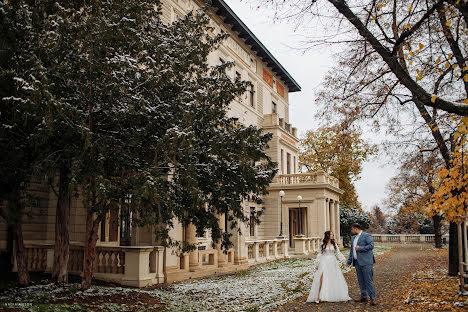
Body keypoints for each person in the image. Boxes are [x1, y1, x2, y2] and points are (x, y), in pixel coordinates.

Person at [306, 231, 351, 303]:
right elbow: (319, 254)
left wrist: (344, 262)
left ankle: (331, 294)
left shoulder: (334, 244)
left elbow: (338, 253)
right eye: (331, 234)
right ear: (327, 235)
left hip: (332, 262)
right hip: (324, 262)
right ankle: (318, 296)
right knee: (321, 278)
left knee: (333, 278)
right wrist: (317, 264)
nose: (332, 235)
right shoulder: (322, 244)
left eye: (333, 234)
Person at [346, 223, 377, 306]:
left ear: (356, 229)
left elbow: (371, 246)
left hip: (366, 262)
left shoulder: (366, 235)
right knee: (361, 280)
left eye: (352, 229)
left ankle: (373, 298)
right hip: (357, 263)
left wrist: (360, 248)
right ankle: (364, 296)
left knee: (368, 280)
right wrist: (349, 261)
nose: (351, 231)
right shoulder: (353, 238)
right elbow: (352, 251)